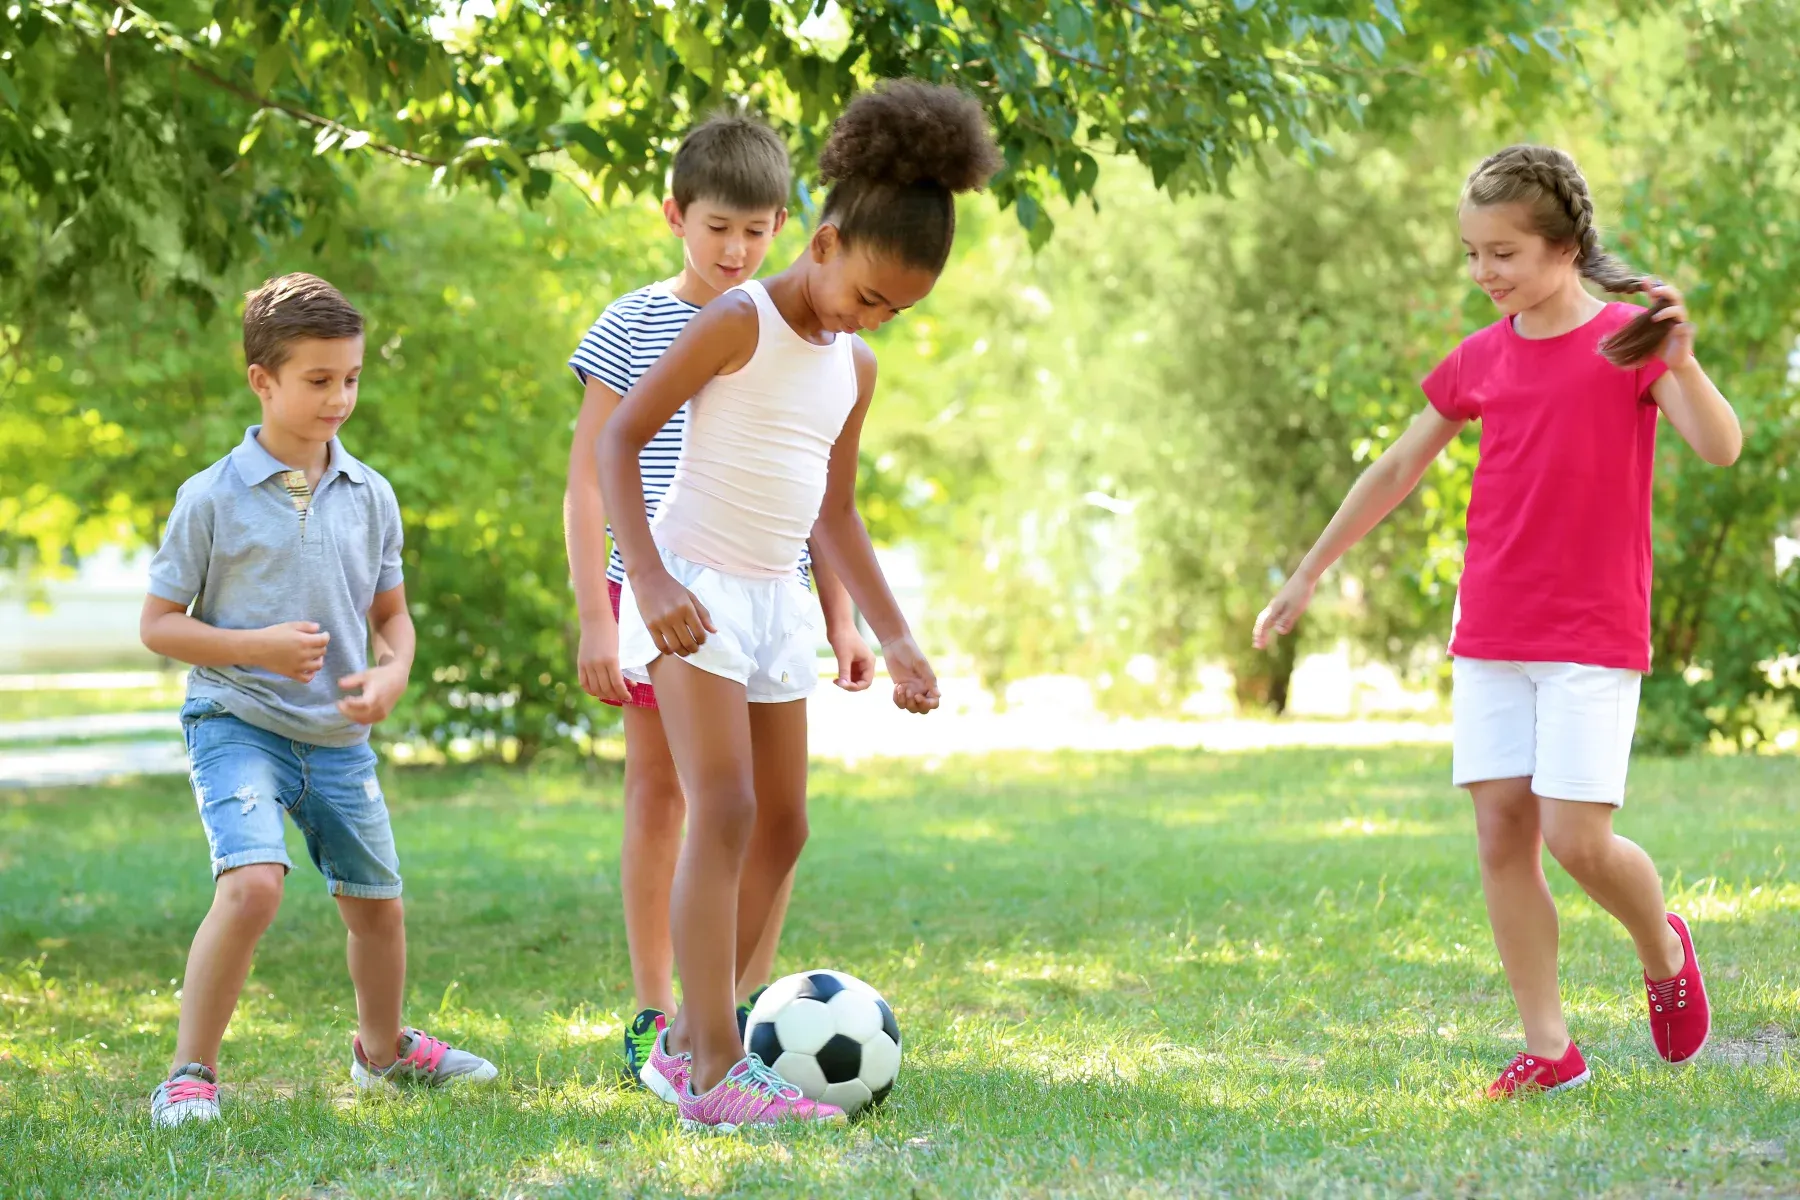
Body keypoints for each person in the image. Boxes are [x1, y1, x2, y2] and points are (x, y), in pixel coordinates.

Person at [1254, 145, 1741, 1098]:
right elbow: (1395, 469)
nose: (1483, 274)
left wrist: (1684, 361)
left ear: (1564, 248)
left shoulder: (1629, 344)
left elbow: (1719, 449)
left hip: (1592, 635)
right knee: (1499, 836)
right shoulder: (1479, 357)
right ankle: (1551, 1046)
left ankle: (1663, 950)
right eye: (1472, 254)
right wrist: (1309, 573)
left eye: (1503, 253)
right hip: (1491, 634)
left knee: (1578, 839)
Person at [598, 79, 1000, 1130]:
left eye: (898, 311)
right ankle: (719, 1074)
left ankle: (699, 1032)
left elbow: (837, 512)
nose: (876, 319)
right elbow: (618, 440)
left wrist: (888, 634)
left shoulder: (852, 366)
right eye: (870, 294)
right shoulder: (738, 322)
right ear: (821, 243)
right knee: (720, 810)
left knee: (785, 825)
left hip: (774, 597)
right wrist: (648, 581)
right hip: (691, 588)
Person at [562, 111, 876, 1089]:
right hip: (662, 586)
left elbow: (816, 497)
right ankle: (661, 1008)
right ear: (675, 217)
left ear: (787, 224)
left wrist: (841, 615)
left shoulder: (802, 334)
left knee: (761, 812)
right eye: (716, 229)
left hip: (762, 587)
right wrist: (598, 611)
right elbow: (587, 479)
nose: (737, 250)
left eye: (755, 230)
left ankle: (731, 1002)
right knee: (670, 798)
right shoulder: (637, 322)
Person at [140, 274, 497, 1128]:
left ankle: (382, 1054)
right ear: (261, 379)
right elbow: (158, 625)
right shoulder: (211, 497)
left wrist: (391, 673)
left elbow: (393, 617)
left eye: (351, 378)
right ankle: (190, 1072)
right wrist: (253, 648)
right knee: (254, 884)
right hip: (236, 722)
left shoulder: (369, 493)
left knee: (377, 904)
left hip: (337, 736)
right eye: (318, 380)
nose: (339, 397)